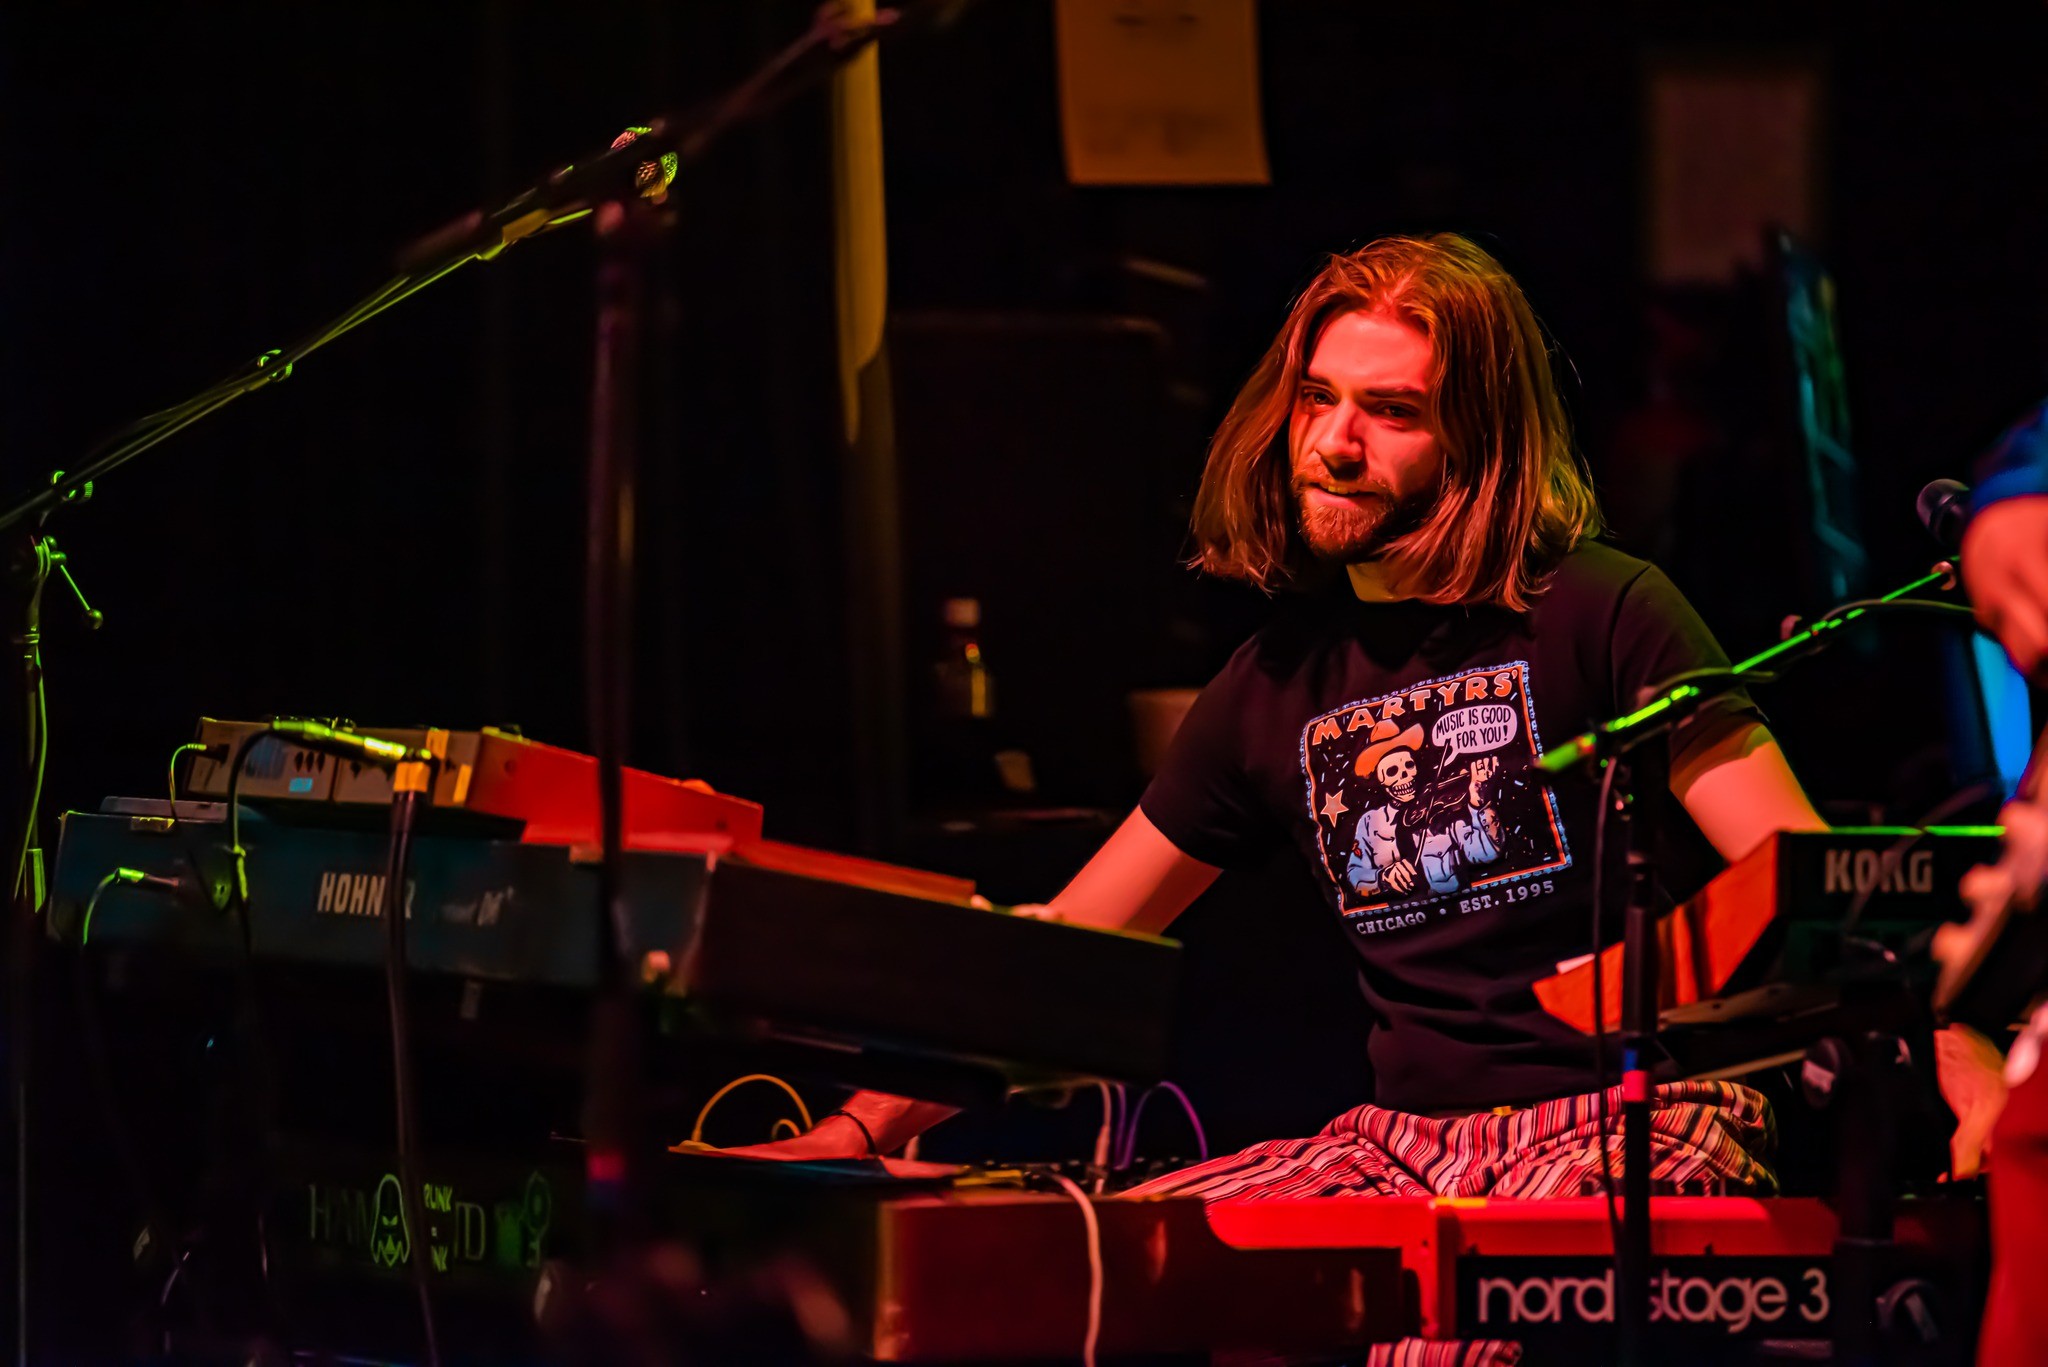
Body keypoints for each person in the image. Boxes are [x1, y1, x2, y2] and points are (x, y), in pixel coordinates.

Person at [738, 235, 1827, 1361]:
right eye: (1318, 398)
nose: (1334, 443)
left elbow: (1820, 887)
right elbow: (1068, 949)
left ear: (1479, 437)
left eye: (1390, 411)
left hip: (1631, 1125)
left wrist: (1937, 1049)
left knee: (1446, 1338)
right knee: (1090, 1272)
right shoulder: (1273, 682)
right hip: (1404, 1145)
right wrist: (855, 1130)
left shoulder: (1606, 611)